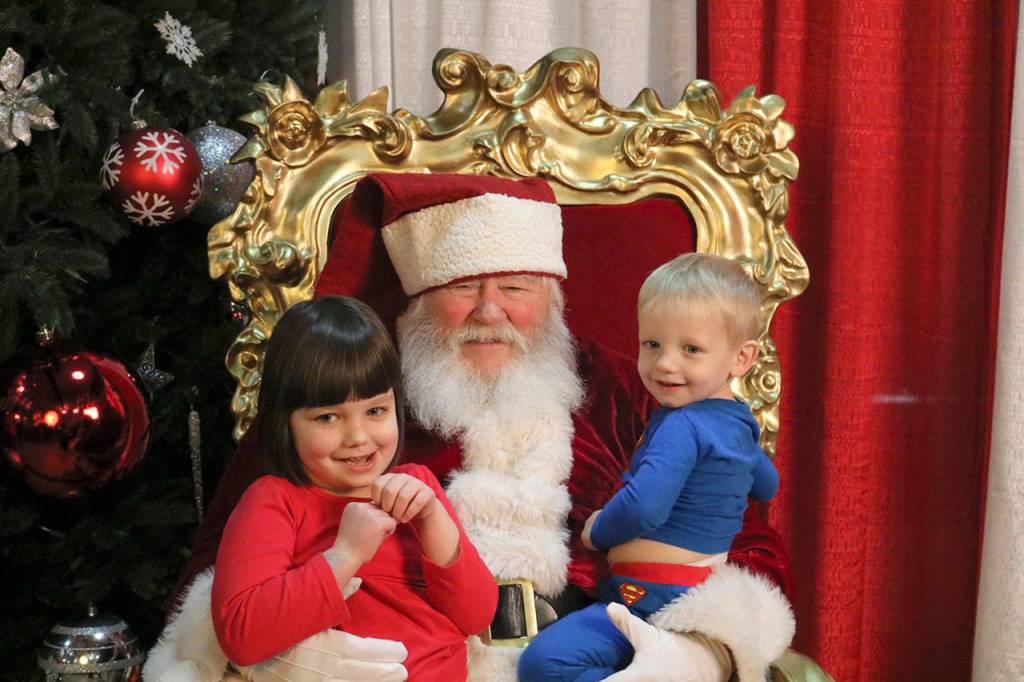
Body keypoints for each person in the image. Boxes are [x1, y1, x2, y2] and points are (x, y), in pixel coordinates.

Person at [145, 173, 795, 682]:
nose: (490, 311)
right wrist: (275, 662)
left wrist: (702, 652)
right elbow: (225, 571)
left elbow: (745, 540)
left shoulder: (632, 392)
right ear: (418, 300)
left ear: (553, 296)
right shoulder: (354, 403)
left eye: (515, 288)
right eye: (462, 287)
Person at [518, 253, 780, 681]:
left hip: (647, 595)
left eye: (691, 349)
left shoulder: (681, 425)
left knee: (544, 662)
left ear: (742, 358)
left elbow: (644, 509)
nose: (665, 363)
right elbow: (767, 485)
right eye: (652, 344)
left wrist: (597, 531)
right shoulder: (740, 422)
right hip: (698, 591)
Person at [209, 295, 497, 681]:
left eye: (376, 411)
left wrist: (433, 521)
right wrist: (345, 555)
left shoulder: (418, 486)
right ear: (284, 423)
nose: (358, 437)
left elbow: (477, 616)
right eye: (328, 418)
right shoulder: (274, 501)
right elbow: (241, 636)